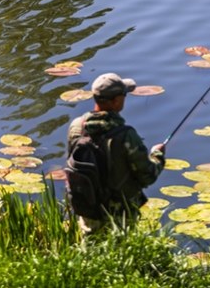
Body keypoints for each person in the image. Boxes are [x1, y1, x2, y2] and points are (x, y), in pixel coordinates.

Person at [67, 72, 165, 234]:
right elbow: (148, 175)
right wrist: (157, 155)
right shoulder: (125, 135)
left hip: (88, 208)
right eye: (124, 95)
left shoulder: (77, 126)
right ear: (116, 100)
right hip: (119, 214)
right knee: (119, 252)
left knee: (89, 251)